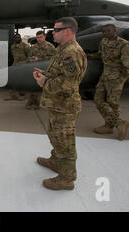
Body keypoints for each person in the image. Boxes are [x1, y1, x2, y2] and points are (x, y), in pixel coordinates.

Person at [33, 17, 87, 191]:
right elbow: (61, 75)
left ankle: (67, 178)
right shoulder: (62, 50)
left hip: (65, 106)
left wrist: (44, 83)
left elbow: (68, 84)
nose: (52, 33)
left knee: (65, 141)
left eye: (56, 30)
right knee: (55, 135)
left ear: (68, 31)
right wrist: (45, 75)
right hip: (57, 104)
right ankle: (56, 161)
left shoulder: (72, 52)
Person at [88, 24, 129, 140]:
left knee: (112, 102)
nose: (105, 33)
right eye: (103, 31)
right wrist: (88, 55)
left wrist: (121, 79)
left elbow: (128, 65)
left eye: (108, 31)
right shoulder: (103, 41)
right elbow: (100, 54)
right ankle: (118, 123)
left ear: (114, 31)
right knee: (98, 100)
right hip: (105, 75)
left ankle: (111, 125)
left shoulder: (124, 44)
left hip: (117, 77)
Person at [25, 30, 56, 110]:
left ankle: (37, 103)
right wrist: (31, 59)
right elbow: (30, 56)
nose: (39, 39)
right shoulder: (34, 47)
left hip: (44, 69)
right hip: (34, 68)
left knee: (40, 86)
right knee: (33, 85)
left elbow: (54, 58)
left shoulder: (50, 46)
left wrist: (39, 58)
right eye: (37, 37)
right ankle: (31, 101)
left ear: (44, 37)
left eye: (41, 37)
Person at [3, 33, 32, 101]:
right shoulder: (12, 46)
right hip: (15, 65)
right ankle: (13, 96)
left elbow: (30, 57)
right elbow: (13, 56)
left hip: (23, 65)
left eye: (18, 37)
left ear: (20, 38)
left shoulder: (26, 46)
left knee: (22, 81)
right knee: (11, 80)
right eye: (15, 38)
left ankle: (23, 95)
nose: (17, 39)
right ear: (14, 39)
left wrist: (25, 63)